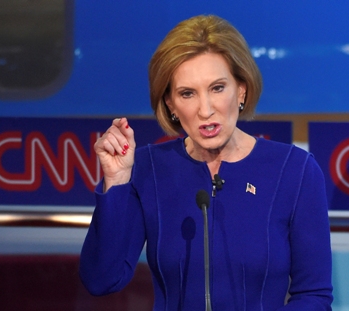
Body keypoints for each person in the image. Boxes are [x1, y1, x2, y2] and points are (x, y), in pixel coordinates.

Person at [79, 14, 333, 310]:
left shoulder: (294, 170)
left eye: (217, 88)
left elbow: (314, 295)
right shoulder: (147, 168)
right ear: (171, 105)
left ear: (241, 89)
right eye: (187, 93)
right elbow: (102, 280)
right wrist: (117, 182)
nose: (205, 109)